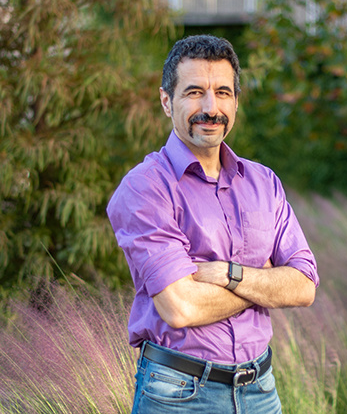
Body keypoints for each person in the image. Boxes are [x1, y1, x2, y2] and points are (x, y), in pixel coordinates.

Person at [107, 35, 319, 414]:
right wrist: (266, 281)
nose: (211, 107)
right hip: (179, 395)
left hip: (261, 392)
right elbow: (181, 307)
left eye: (223, 92)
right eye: (194, 92)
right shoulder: (145, 188)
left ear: (235, 101)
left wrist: (228, 274)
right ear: (166, 101)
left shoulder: (263, 182)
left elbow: (303, 286)